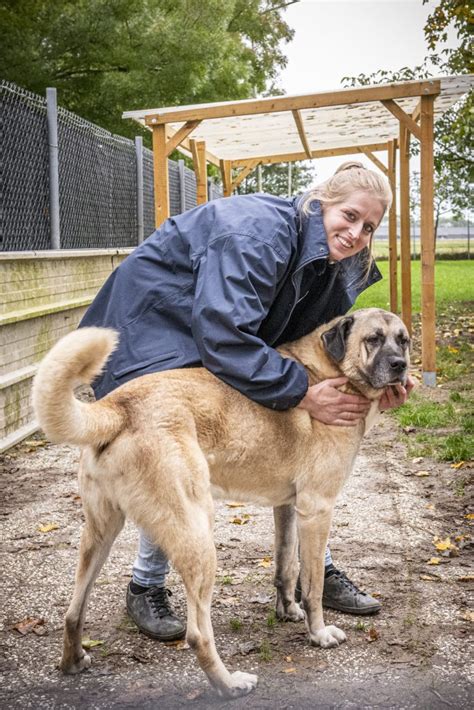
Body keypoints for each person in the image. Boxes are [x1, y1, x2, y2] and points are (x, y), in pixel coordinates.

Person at [80, 161, 414, 641]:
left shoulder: (336, 256)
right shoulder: (256, 233)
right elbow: (224, 333)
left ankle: (311, 570)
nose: (357, 232)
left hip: (204, 333)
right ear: (321, 200)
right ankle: (146, 584)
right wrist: (301, 390)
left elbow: (318, 339)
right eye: (350, 215)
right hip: (151, 332)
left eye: (369, 226)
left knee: (304, 473)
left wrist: (379, 378)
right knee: (172, 455)